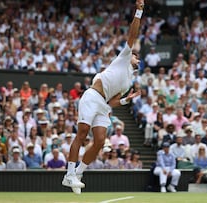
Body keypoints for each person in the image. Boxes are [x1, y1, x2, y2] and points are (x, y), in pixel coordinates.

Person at [62, 0, 145, 194]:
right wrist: (139, 11)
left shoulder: (127, 83)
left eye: (136, 57)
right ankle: (69, 174)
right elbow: (133, 33)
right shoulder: (123, 58)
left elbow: (112, 102)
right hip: (92, 97)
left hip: (103, 105)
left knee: (100, 140)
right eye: (134, 55)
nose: (135, 56)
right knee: (82, 133)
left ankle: (79, 173)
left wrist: (127, 99)